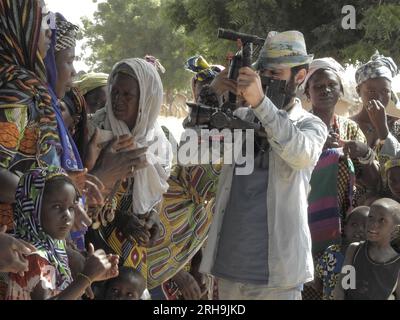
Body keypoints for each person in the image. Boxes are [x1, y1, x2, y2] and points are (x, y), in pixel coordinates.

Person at [191, 30, 327, 300]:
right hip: (229, 268)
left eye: (276, 74)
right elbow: (194, 148)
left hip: (278, 278)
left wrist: (261, 103)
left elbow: (299, 154)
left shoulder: (310, 125)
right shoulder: (241, 116)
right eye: (263, 72)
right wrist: (214, 91)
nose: (267, 80)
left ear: (300, 77)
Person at [88, 58, 171, 289]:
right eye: (114, 92)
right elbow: (82, 192)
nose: (118, 101)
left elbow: (156, 191)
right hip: (96, 245)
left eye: (127, 95)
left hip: (135, 248)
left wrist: (153, 215)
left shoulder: (158, 141)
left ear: (146, 100)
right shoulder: (94, 131)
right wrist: (120, 218)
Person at [6, 167, 119, 300]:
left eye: (71, 208)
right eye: (57, 206)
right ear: (33, 208)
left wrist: (93, 274)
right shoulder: (34, 257)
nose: (67, 216)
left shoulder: (54, 251)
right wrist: (86, 277)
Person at [334, 198, 400, 300]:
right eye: (371, 217)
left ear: (395, 227)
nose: (373, 224)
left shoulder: (397, 262)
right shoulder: (355, 250)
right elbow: (342, 288)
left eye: (382, 220)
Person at [314, 206, 369, 300]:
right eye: (354, 224)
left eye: (365, 226)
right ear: (345, 227)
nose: (360, 229)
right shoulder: (331, 252)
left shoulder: (371, 258)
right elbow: (318, 283)